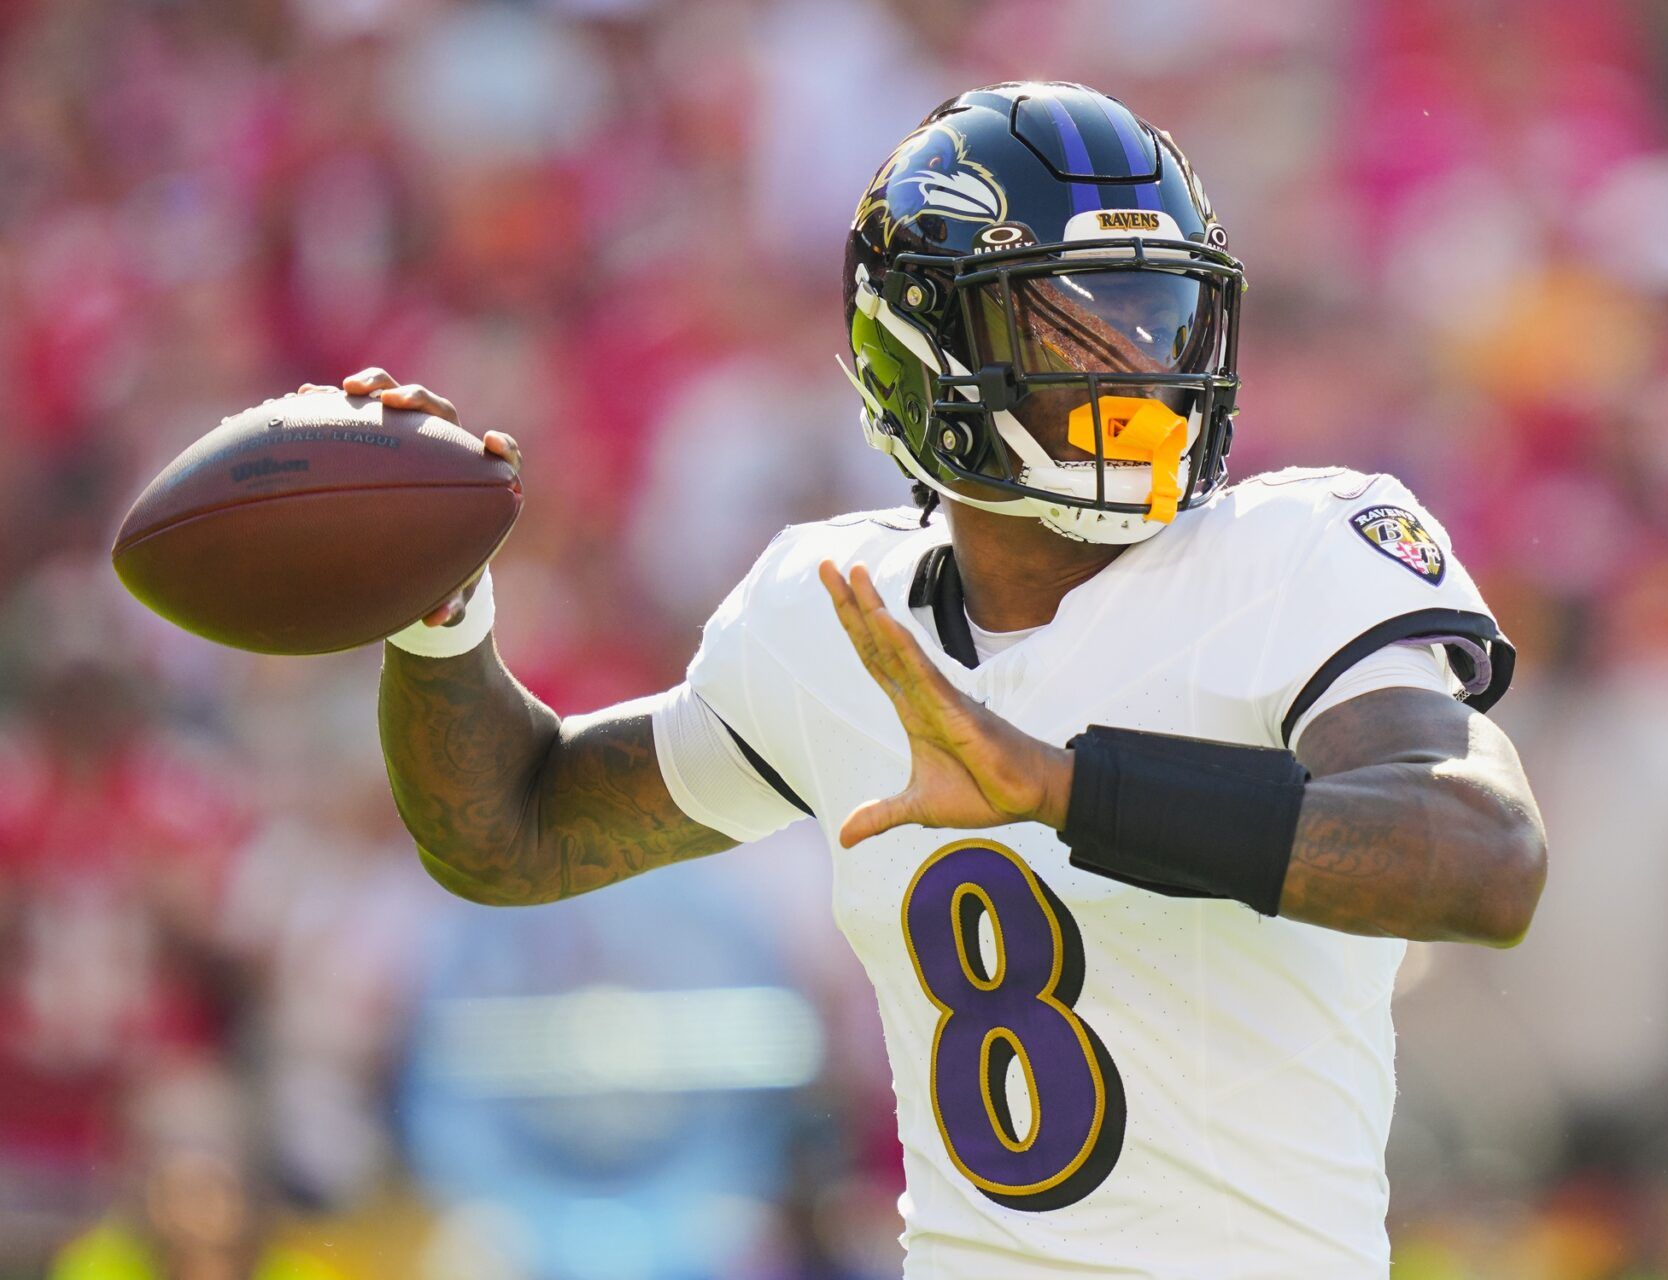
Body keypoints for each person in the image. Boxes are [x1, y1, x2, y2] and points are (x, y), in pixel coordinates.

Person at [321, 82, 1547, 1280]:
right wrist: (438, 611)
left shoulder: (1295, 551)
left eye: (1159, 311)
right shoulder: (835, 612)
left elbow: (1484, 856)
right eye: (1069, 321)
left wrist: (1068, 789)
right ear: (920, 348)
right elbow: (512, 832)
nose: (1137, 361)